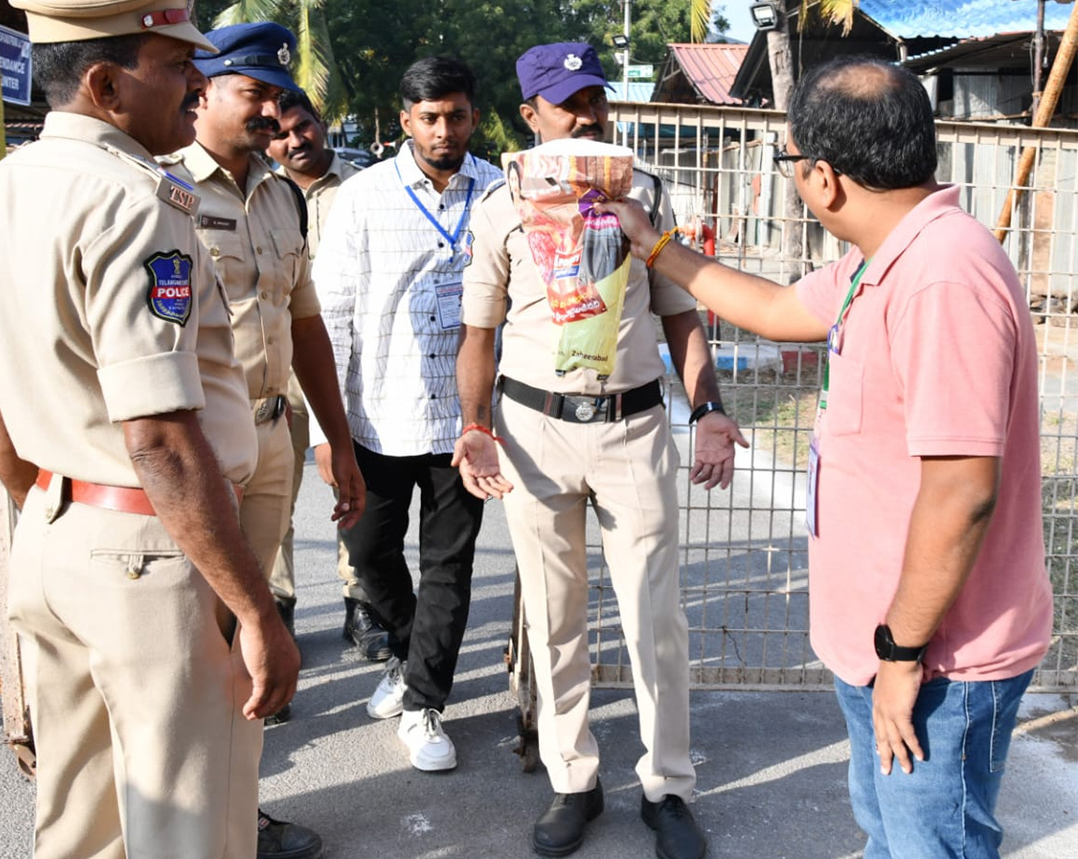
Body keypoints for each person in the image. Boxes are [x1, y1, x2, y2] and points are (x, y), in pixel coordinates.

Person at [600, 55, 1054, 859]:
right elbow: (774, 309)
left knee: (931, 846)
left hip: (938, 659)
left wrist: (902, 656)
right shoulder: (882, 259)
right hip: (886, 644)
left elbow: (961, 494)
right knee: (890, 833)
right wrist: (655, 246)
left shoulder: (942, 278)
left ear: (821, 177)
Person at [0, 0, 298, 857]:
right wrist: (257, 611)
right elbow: (160, 437)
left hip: (56, 534)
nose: (193, 81)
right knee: (190, 826)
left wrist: (55, 512)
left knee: (83, 820)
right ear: (105, 85)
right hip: (150, 550)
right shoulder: (135, 200)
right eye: (172, 62)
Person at [454, 42, 745, 859]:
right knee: (555, 617)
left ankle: (669, 787)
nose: (586, 115)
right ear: (531, 115)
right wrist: (472, 422)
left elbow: (682, 314)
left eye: (595, 99)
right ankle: (573, 779)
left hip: (632, 426)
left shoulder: (645, 197)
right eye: (567, 102)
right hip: (534, 428)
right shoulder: (500, 206)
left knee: (657, 617)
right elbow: (480, 332)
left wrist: (710, 409)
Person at [158, 21, 366, 859]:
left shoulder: (281, 194)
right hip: (196, 453)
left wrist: (338, 443)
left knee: (251, 642)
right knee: (191, 639)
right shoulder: (161, 189)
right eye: (256, 96)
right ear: (202, 91)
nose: (276, 116)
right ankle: (183, 817)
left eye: (280, 98)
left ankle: (239, 809)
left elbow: (304, 323)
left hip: (275, 438)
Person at [310, 56, 502, 772]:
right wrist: (328, 432)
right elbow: (330, 319)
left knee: (449, 567)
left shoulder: (503, 194)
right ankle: (412, 652)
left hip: (467, 425)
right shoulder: (362, 198)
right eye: (429, 117)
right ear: (404, 121)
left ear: (472, 117)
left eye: (455, 115)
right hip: (377, 415)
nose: (443, 129)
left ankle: (424, 703)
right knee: (368, 556)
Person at [265, 89, 390, 662]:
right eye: (281, 133)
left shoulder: (366, 189)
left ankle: (361, 602)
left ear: (321, 124)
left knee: (351, 489)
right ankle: (275, 610)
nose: (295, 141)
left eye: (303, 127)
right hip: (271, 375)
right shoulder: (258, 194)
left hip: (347, 371)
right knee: (270, 498)